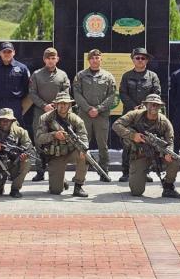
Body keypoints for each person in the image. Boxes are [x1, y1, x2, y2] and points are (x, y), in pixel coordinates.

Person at [112, 93, 180, 198]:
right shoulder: (135, 115)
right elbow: (116, 125)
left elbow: (170, 140)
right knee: (136, 192)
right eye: (151, 104)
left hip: (158, 154)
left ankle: (168, 187)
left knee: (175, 159)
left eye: (156, 105)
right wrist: (132, 135)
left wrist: (168, 153)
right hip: (140, 155)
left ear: (160, 107)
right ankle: (139, 174)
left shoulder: (164, 122)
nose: (153, 107)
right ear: (146, 105)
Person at [118, 47, 161, 182]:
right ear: (133, 59)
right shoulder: (126, 76)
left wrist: (145, 106)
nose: (140, 60)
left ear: (147, 60)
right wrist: (134, 107)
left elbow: (156, 92)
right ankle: (125, 172)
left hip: (147, 114)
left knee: (147, 143)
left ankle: (145, 172)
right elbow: (122, 93)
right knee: (127, 143)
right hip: (130, 114)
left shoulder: (152, 76)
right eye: (138, 58)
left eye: (143, 58)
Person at [35, 92, 89, 197]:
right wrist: (54, 135)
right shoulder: (45, 118)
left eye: (65, 103)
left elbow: (83, 136)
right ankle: (61, 179)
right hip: (55, 155)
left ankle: (78, 186)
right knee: (55, 191)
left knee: (86, 156)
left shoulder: (76, 120)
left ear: (70, 105)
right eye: (60, 103)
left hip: (70, 151)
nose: (63, 105)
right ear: (55, 105)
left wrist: (84, 149)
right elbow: (39, 138)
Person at [73, 49, 116, 180]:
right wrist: (87, 108)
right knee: (82, 144)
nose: (95, 60)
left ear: (101, 60)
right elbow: (76, 93)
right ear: (88, 60)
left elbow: (112, 96)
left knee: (102, 144)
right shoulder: (80, 75)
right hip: (84, 115)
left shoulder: (108, 76)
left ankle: (104, 171)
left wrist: (98, 109)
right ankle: (80, 174)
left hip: (101, 115)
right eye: (92, 58)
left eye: (97, 58)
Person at [29, 47, 70, 182]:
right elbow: (32, 93)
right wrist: (44, 105)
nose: (51, 61)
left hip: (59, 113)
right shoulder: (36, 74)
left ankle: (57, 172)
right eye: (48, 58)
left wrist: (57, 105)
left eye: (53, 58)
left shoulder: (63, 75)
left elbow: (66, 93)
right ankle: (40, 172)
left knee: (58, 140)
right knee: (40, 141)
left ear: (57, 59)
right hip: (41, 112)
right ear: (44, 59)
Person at [0, 108, 32, 199]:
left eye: (7, 120)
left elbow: (28, 147)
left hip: (13, 165)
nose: (5, 122)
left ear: (12, 121)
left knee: (27, 162)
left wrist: (24, 156)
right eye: (2, 120)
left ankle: (15, 189)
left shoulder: (21, 132)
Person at [0, 42, 30, 126]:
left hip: (14, 104)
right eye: (4, 52)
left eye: (9, 52)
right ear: (0, 53)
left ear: (14, 52)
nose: (6, 54)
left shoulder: (22, 68)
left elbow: (26, 86)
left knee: (16, 128)